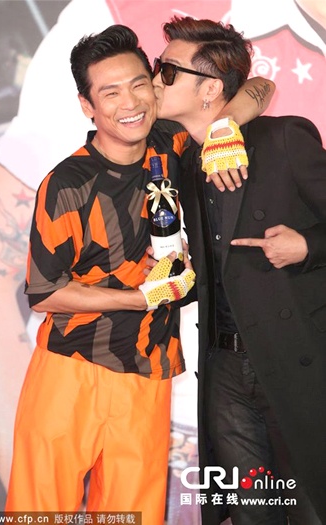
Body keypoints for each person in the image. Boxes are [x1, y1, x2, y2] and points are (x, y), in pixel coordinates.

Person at [5, 25, 198, 522]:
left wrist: (225, 131)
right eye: (110, 93)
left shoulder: (171, 144)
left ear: (153, 87)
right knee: (39, 513)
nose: (129, 102)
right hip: (71, 369)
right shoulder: (67, 184)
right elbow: (45, 293)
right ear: (87, 106)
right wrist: (141, 297)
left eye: (138, 85)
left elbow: (253, 92)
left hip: (148, 371)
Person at [153, 16, 326, 525]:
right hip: (223, 370)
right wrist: (172, 280)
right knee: (252, 515)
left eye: (168, 71)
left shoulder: (284, 139)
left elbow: (261, 84)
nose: (156, 79)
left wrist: (307, 245)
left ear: (209, 88)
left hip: (296, 358)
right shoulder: (179, 154)